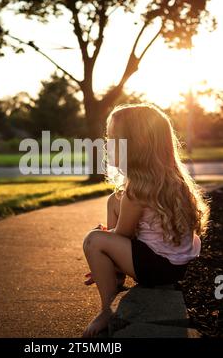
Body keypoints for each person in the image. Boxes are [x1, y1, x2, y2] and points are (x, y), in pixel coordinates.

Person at [82, 103, 210, 338]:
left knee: (93, 240)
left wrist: (106, 247)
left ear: (136, 146)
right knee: (113, 200)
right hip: (176, 266)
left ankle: (106, 309)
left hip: (156, 268)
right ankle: (116, 276)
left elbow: (122, 235)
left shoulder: (136, 191)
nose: (108, 144)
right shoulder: (171, 180)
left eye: (114, 139)